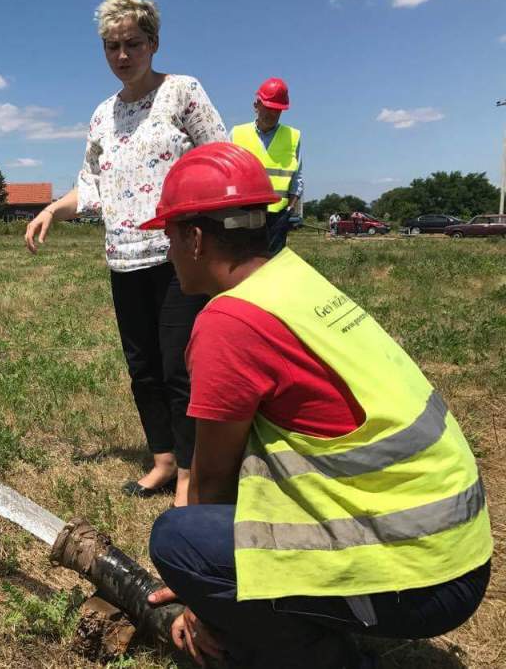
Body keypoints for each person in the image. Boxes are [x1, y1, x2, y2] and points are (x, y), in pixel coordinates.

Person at [137, 142, 491, 668]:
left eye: (167, 237)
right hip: (454, 549)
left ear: (193, 239)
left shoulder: (228, 322)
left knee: (180, 540)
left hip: (424, 577)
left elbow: (210, 484)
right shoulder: (289, 278)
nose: (165, 253)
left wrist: (202, 591)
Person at [24, 0, 226, 506]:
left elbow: (220, 157)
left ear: (153, 43)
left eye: (132, 43)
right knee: (142, 367)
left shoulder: (182, 93)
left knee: (180, 366)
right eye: (111, 46)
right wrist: (50, 209)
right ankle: (160, 459)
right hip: (123, 257)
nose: (121, 55)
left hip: (178, 256)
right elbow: (89, 185)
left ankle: (188, 473)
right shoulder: (102, 116)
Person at [230, 77, 302, 255]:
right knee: (243, 265)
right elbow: (227, 175)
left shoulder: (293, 136)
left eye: (278, 110)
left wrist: (289, 211)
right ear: (256, 105)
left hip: (277, 217)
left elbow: (297, 180)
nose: (272, 114)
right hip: (243, 214)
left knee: (271, 268)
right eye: (268, 108)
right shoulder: (236, 133)